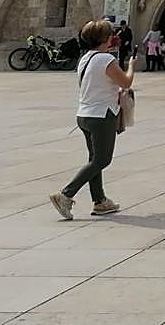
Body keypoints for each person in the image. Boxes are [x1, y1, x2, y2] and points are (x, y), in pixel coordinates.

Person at [50, 19, 136, 220]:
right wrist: (131, 65)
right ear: (106, 39)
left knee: (94, 159)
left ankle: (100, 202)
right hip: (101, 115)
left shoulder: (86, 58)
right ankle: (65, 195)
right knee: (102, 159)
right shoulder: (106, 59)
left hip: (84, 114)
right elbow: (126, 81)